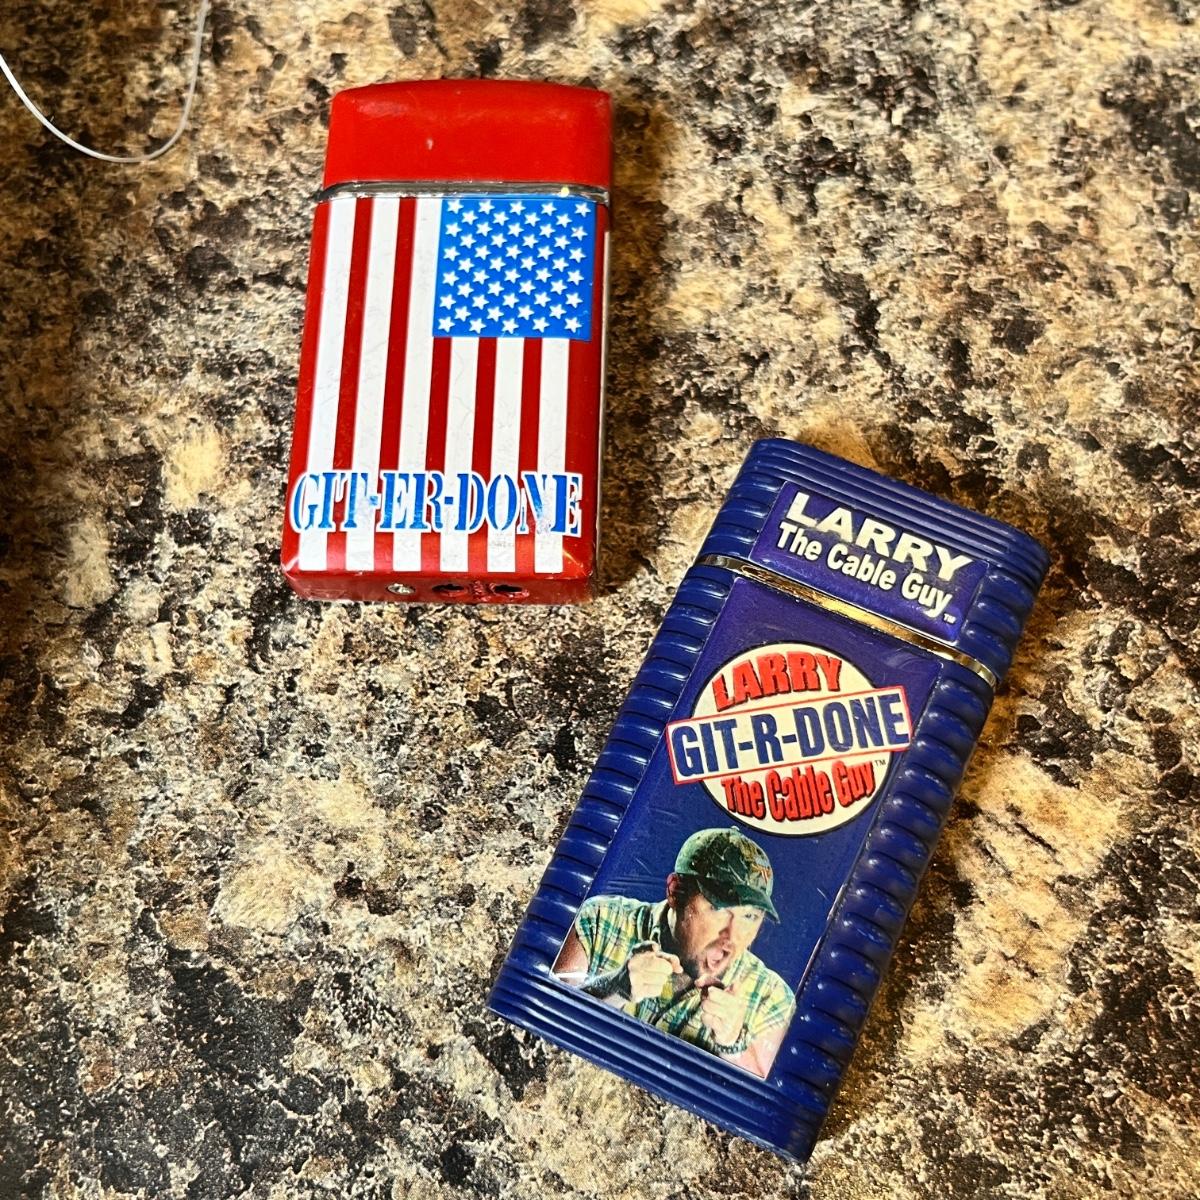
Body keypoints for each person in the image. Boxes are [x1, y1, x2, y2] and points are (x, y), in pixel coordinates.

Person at [553, 826, 795, 1078]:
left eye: (749, 916)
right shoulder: (601, 920)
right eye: (718, 908)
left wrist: (732, 1043)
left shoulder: (771, 998)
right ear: (675, 891)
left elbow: (765, 1096)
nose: (732, 936)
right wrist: (614, 988)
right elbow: (544, 1027)